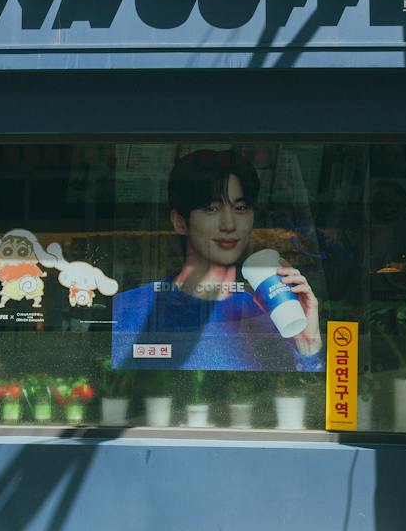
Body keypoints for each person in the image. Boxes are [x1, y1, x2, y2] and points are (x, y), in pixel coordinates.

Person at [111, 149, 323, 371]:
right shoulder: (128, 309)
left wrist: (307, 343)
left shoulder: (275, 313)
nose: (229, 224)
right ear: (180, 222)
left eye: (240, 208)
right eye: (212, 208)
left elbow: (303, 397)